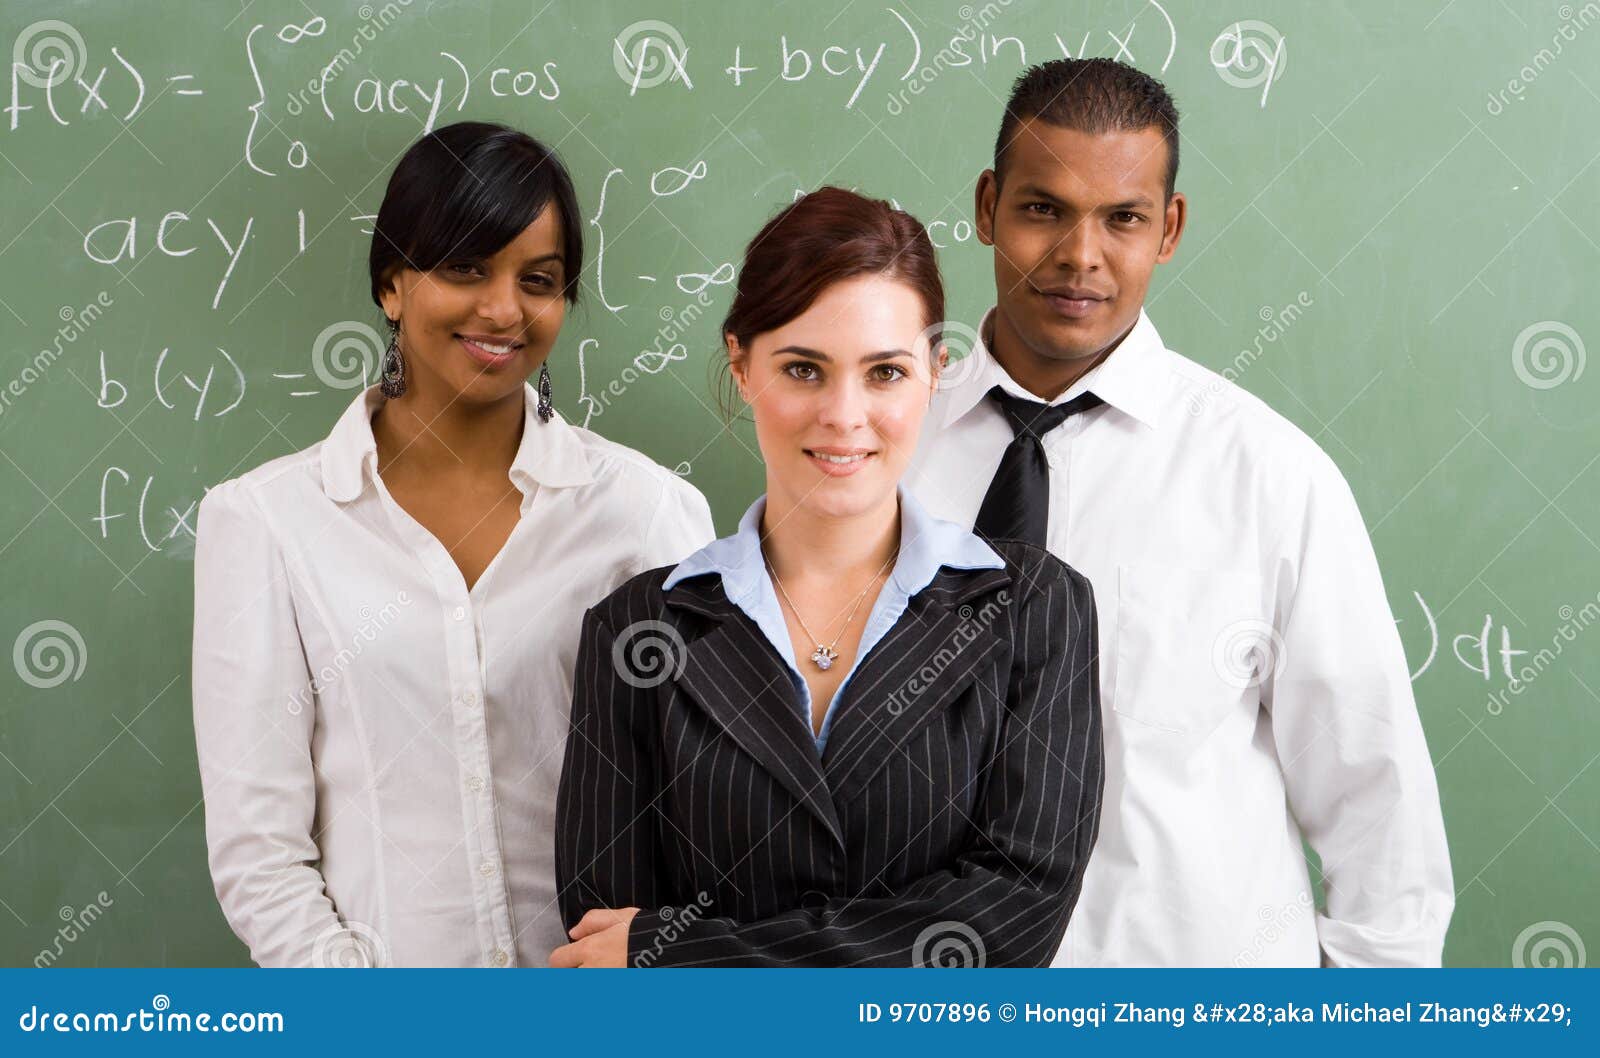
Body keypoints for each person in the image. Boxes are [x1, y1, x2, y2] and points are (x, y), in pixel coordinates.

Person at [907, 58, 1453, 966]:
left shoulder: (1269, 476)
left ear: (1170, 227)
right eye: (1044, 208)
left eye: (1122, 218)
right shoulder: (884, 451)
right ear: (986, 206)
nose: (1080, 255)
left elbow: (1377, 803)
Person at [191, 122, 714, 967]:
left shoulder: (648, 515)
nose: (504, 309)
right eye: (466, 268)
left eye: (537, 280)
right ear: (393, 284)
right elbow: (260, 852)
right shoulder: (266, 525)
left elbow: (705, 804)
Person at [551, 187, 1103, 968]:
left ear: (935, 373)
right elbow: (603, 951)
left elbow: (1013, 918)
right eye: (804, 369)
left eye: (884, 373)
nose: (845, 415)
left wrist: (695, 959)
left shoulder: (1032, 606)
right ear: (742, 367)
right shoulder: (639, 631)